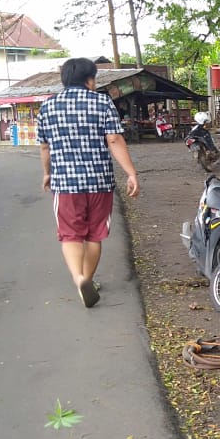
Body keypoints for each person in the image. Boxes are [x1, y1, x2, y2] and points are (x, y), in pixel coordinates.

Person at [38, 57, 140, 308]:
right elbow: (114, 139)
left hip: (65, 183)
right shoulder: (102, 102)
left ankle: (79, 278)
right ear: (89, 80)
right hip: (99, 181)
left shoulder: (48, 107)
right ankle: (88, 280)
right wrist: (131, 173)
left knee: (71, 235)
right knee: (94, 236)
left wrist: (47, 173)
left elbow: (44, 146)